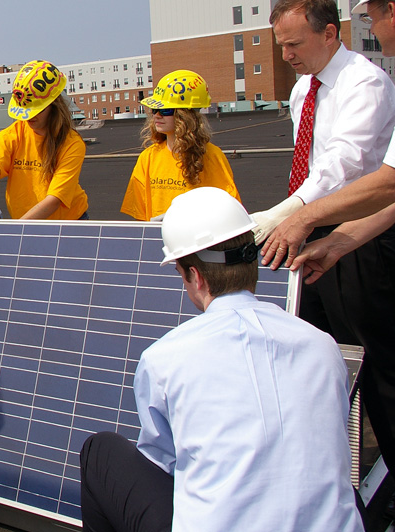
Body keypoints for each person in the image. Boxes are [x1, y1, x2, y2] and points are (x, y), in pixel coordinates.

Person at [78, 187, 364, 532]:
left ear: (194, 276)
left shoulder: (165, 358)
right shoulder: (322, 345)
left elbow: (162, 460)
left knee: (100, 451)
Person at [254, 0, 395, 519]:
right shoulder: (303, 90)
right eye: (280, 46)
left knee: (378, 358)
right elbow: (307, 162)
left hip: (357, 233)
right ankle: (325, 470)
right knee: (313, 356)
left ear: (330, 33)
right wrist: (299, 221)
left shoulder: (365, 84)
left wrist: (291, 212)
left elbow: (344, 163)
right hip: (312, 235)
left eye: (295, 44)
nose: (286, 56)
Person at [0, 60, 89, 230]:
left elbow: (54, 200)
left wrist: (16, 229)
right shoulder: (13, 134)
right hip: (25, 222)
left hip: (67, 224)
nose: (28, 117)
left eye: (35, 110)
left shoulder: (71, 143)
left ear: (53, 105)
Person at [120, 70, 240, 221]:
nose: (157, 115)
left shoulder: (212, 156)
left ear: (185, 115)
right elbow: (140, 214)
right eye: (155, 110)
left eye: (165, 110)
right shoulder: (148, 157)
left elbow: (228, 210)